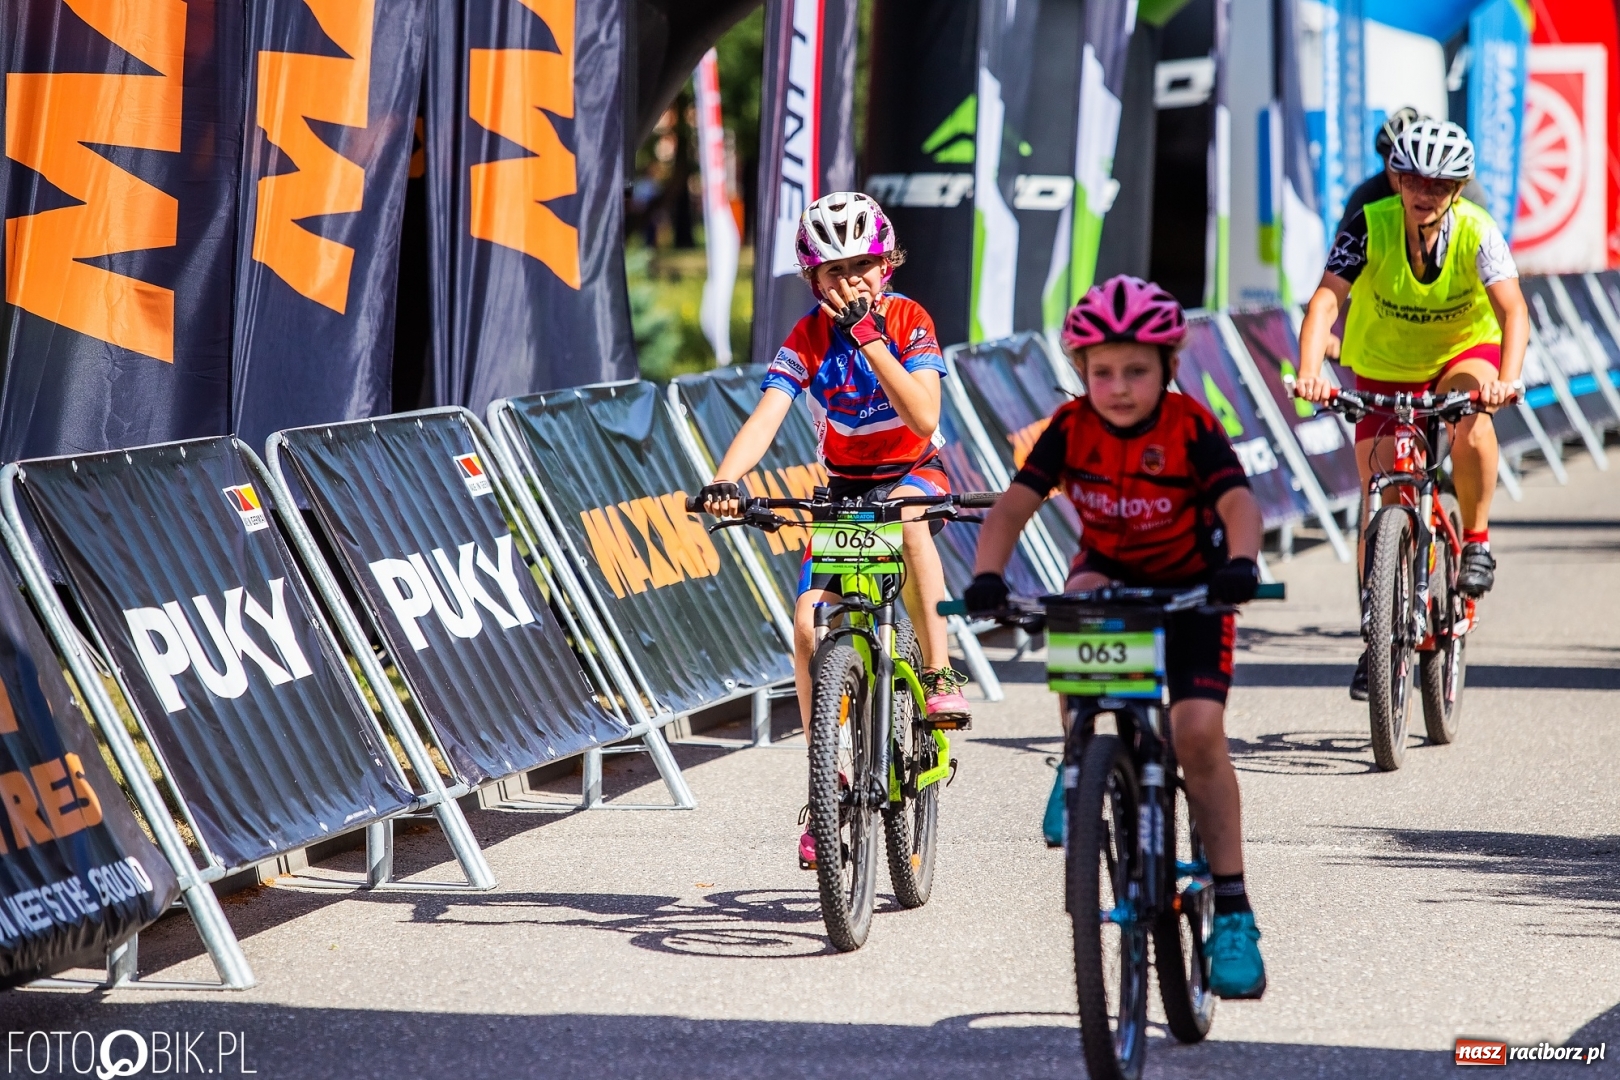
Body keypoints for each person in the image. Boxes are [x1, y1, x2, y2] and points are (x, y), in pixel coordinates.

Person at [963, 274, 1270, 1000]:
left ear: (1168, 367)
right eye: (1102, 372)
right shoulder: (1071, 427)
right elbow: (1011, 507)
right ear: (1082, 374)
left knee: (1196, 734)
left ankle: (1232, 908)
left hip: (1194, 587)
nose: (1120, 387)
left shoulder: (1190, 426)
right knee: (1077, 598)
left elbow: (1239, 503)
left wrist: (1241, 563)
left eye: (1137, 370)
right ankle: (1079, 767)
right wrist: (986, 577)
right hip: (1109, 571)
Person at [696, 191, 972, 869]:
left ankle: (935, 674)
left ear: (888, 267)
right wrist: (726, 481)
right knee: (807, 626)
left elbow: (921, 415)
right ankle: (830, 783)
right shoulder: (807, 338)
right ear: (813, 280)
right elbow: (768, 413)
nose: (850, 282)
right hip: (846, 489)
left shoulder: (908, 320)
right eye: (833, 271)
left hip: (915, 468)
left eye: (863, 266)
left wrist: (872, 340)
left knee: (909, 522)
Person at [1293, 120, 1527, 701]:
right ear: (1396, 178)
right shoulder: (1368, 227)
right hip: (1385, 364)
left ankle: (1475, 541)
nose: (1426, 193)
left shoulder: (1479, 231)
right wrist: (1308, 370)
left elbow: (1513, 310)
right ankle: (1378, 633)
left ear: (1458, 188)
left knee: (1472, 423)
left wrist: (1509, 378)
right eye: (1415, 180)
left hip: (1460, 353)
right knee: (1382, 500)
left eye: (1441, 185)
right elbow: (1327, 299)